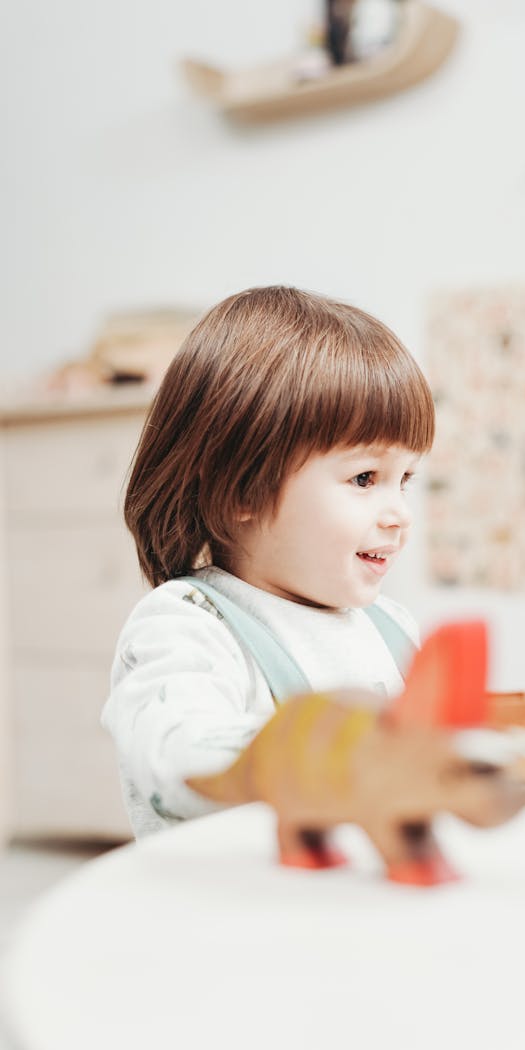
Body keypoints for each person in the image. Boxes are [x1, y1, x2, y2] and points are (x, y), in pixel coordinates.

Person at [102, 286, 435, 837]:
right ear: (241, 491)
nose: (399, 513)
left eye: (405, 480)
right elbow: (175, 761)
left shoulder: (392, 629)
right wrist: (335, 755)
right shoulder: (186, 626)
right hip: (234, 913)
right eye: (363, 479)